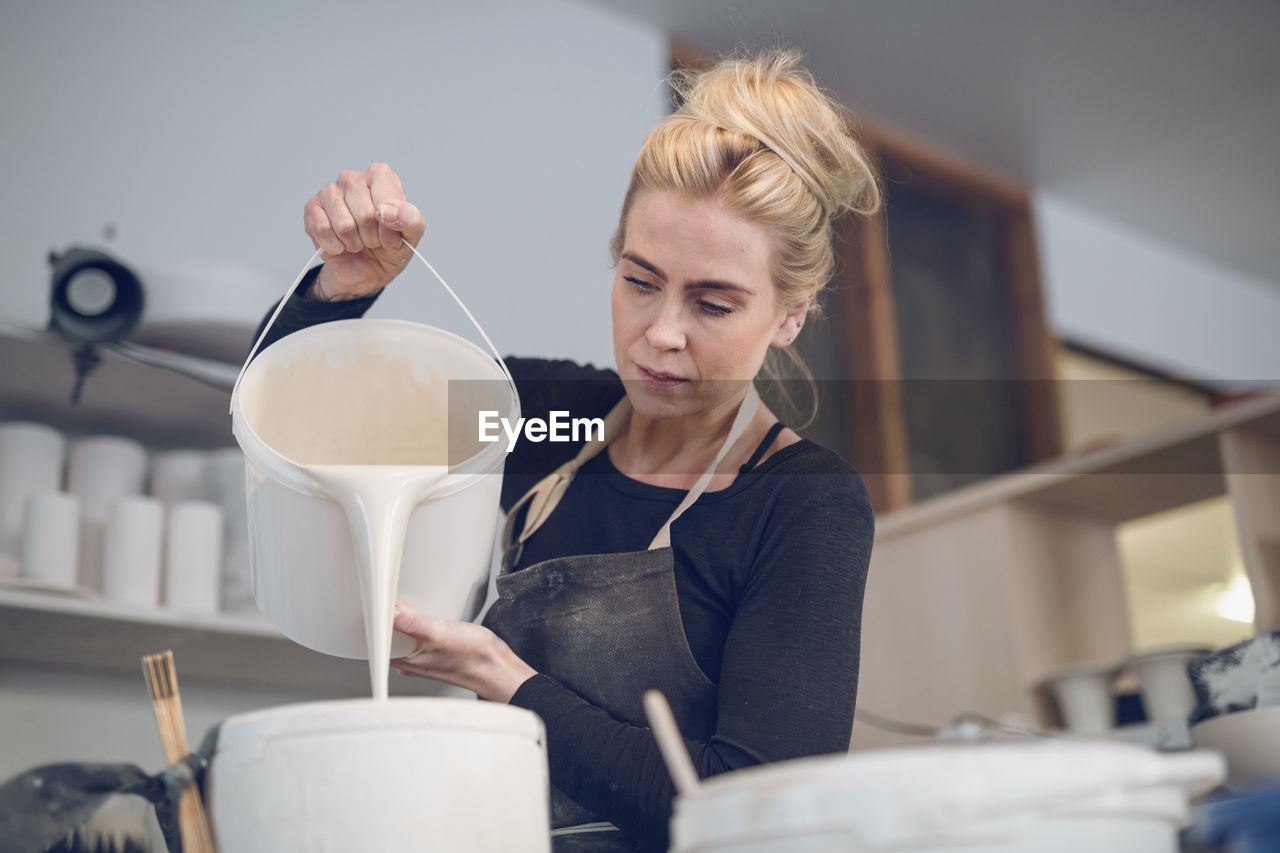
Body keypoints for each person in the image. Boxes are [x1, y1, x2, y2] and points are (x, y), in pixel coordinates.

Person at [256, 51, 880, 852]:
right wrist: (338, 290)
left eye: (713, 302)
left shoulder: (799, 503)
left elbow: (760, 809)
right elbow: (299, 411)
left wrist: (509, 684)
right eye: (640, 280)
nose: (661, 333)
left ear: (790, 314)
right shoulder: (550, 419)